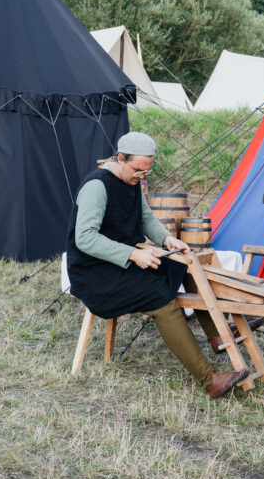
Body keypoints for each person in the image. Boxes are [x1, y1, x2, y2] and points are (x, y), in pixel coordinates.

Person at [66, 131, 249, 399]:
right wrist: (132, 254)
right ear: (120, 158)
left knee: (184, 265)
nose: (142, 176)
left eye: (146, 171)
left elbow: (145, 218)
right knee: (162, 301)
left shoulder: (132, 181)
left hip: (121, 262)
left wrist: (166, 239)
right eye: (138, 170)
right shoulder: (97, 187)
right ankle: (210, 380)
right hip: (95, 272)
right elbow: (85, 239)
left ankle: (217, 335)